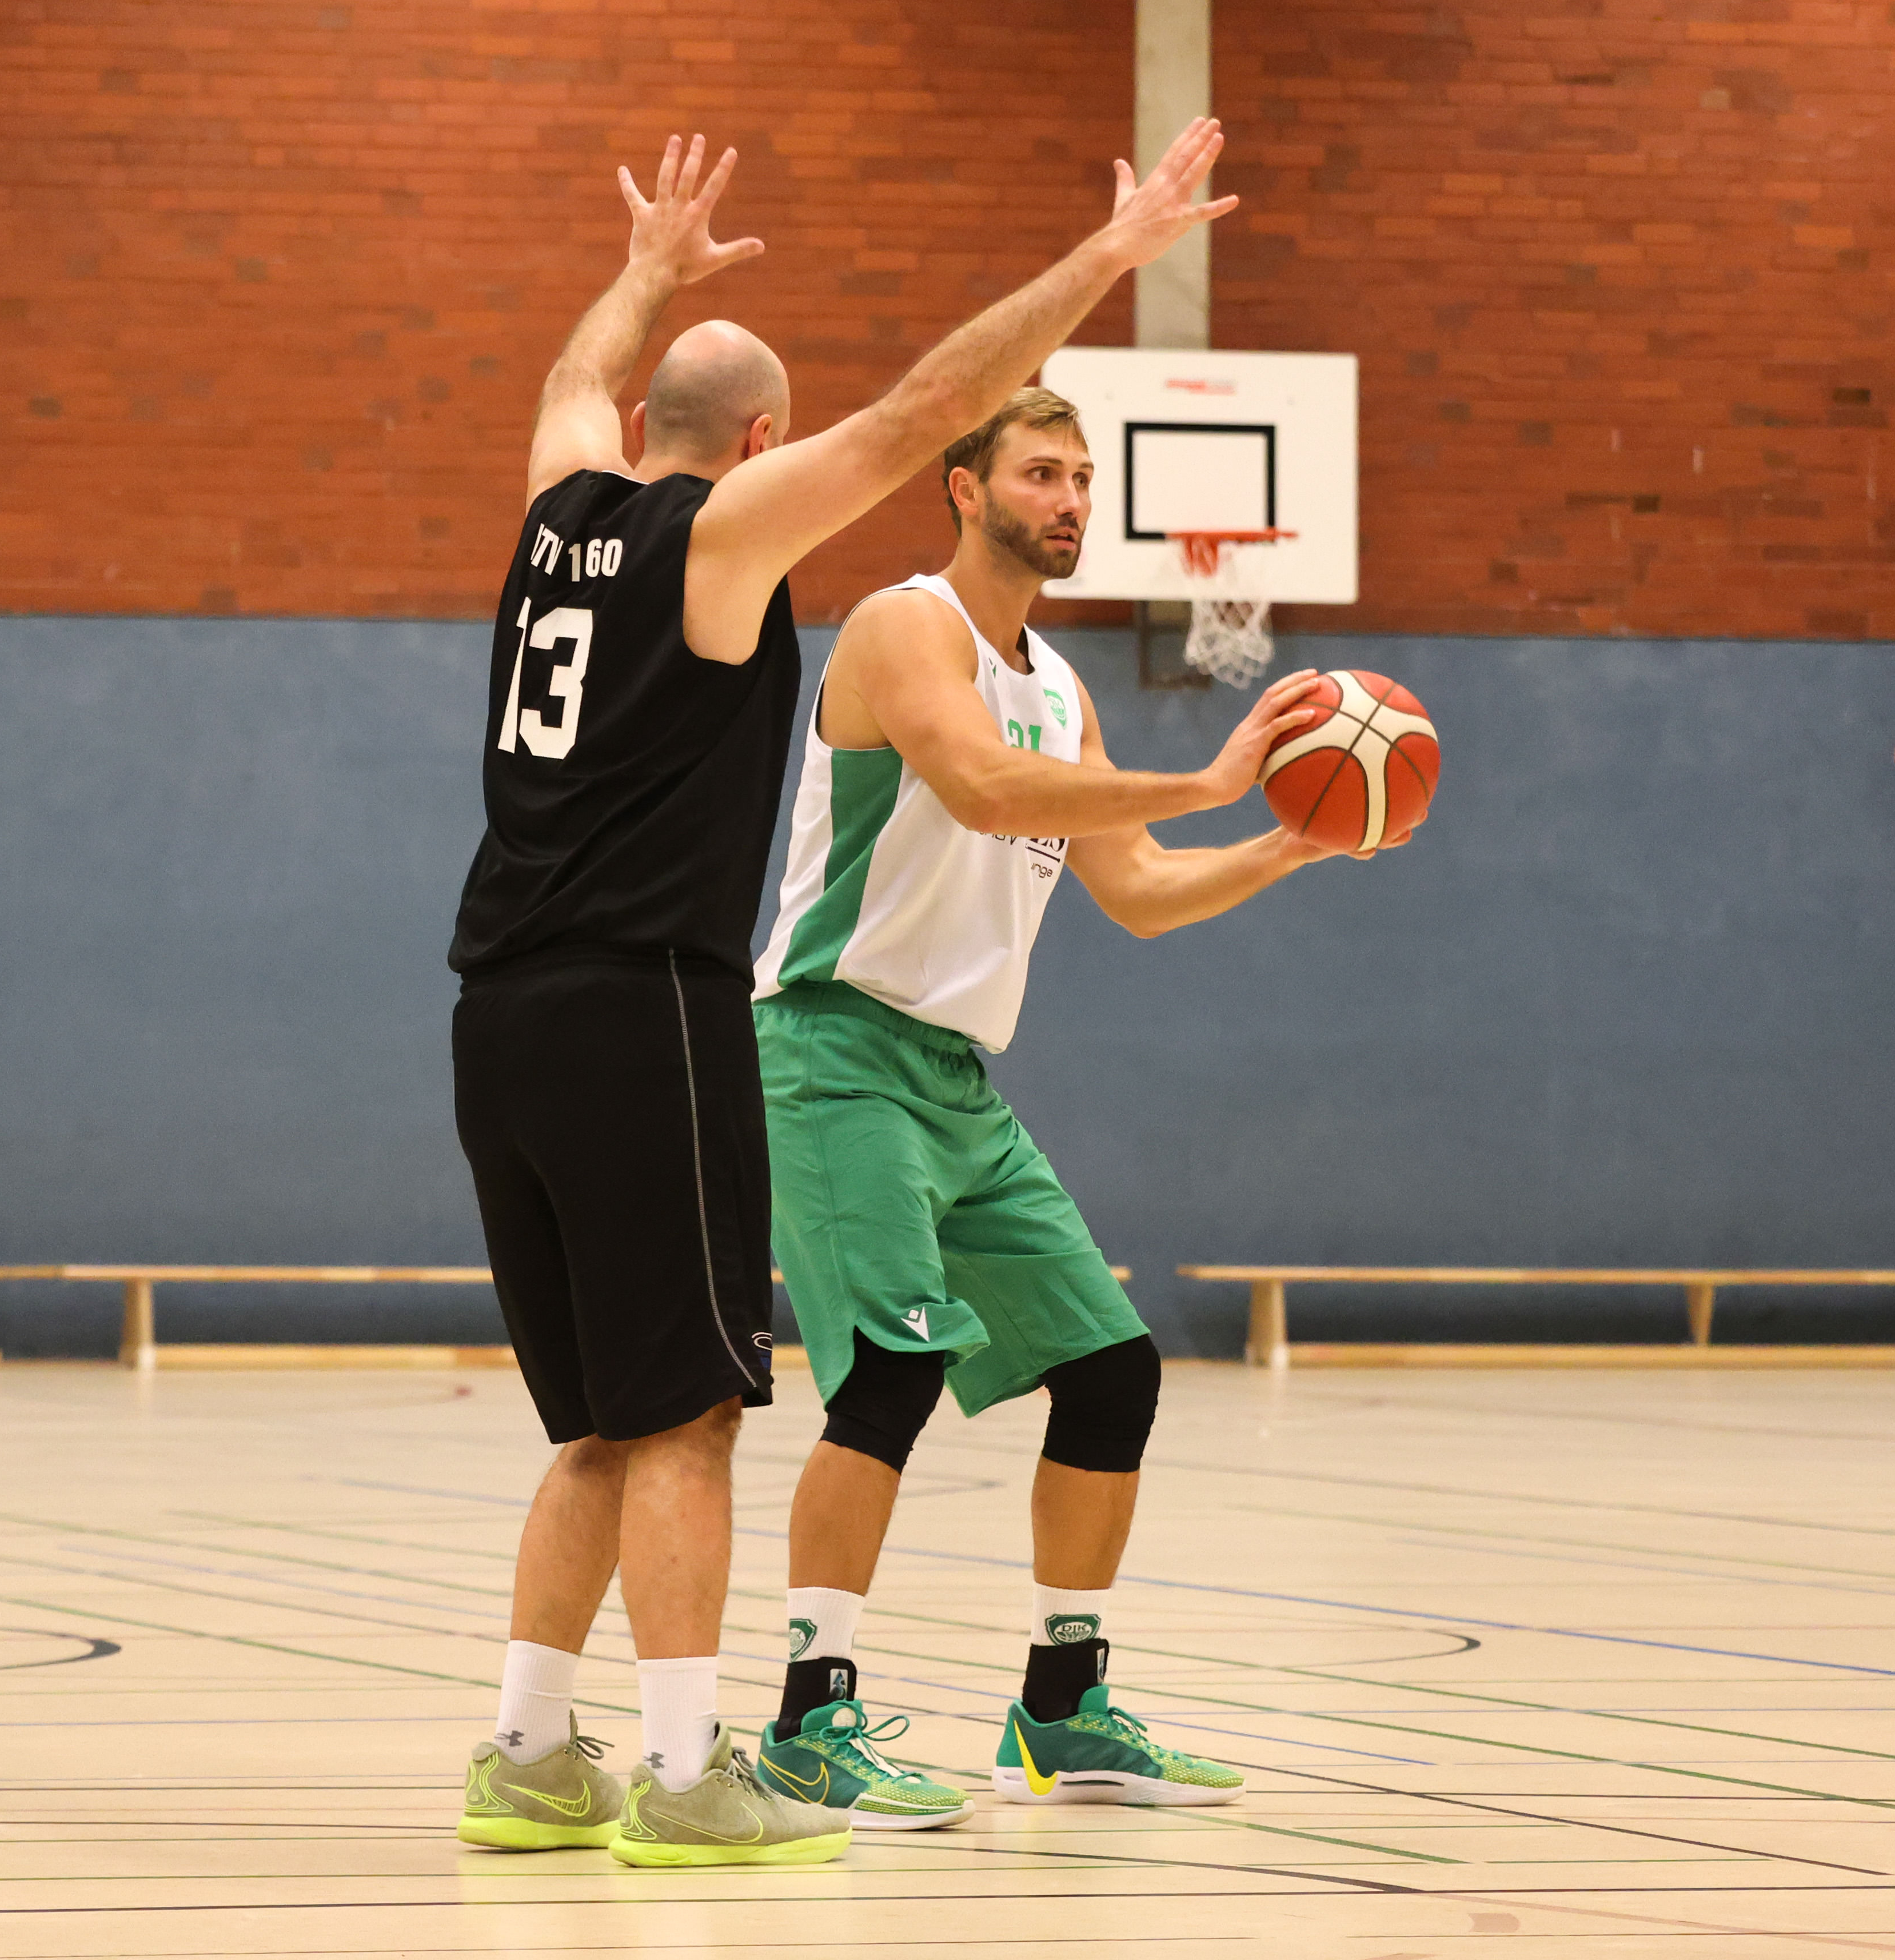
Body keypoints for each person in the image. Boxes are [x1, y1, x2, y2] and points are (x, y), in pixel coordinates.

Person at [449, 121, 1240, 1864]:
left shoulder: (558, 506)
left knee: (597, 1425)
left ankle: (528, 1751)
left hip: (494, 1009)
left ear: (644, 421)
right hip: (648, 1006)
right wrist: (1106, 261)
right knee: (687, 1415)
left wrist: (641, 277)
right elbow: (916, 411)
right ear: (758, 446)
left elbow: (574, 379)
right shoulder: (718, 541)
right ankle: (688, 1774)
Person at [744, 386, 1378, 1821]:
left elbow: (1137, 891)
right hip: (832, 1047)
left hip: (955, 1079)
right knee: (890, 1372)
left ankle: (1061, 1709)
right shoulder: (905, 626)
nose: (1072, 499)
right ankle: (805, 1721)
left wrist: (1286, 843)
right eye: (1041, 472)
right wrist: (1211, 775)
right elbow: (978, 786)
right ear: (963, 488)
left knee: (1109, 1369)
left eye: (1084, 477)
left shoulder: (1062, 691)